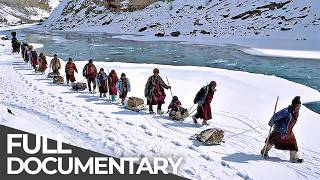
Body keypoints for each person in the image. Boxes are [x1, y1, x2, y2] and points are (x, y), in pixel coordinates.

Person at [261, 96, 303, 163]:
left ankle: (293, 158)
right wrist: (271, 122)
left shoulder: (295, 112)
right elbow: (276, 116)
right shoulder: (286, 111)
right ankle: (264, 152)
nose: (299, 108)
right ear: (294, 105)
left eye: (300, 106)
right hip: (279, 131)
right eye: (297, 106)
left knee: (293, 144)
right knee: (272, 141)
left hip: (288, 131)